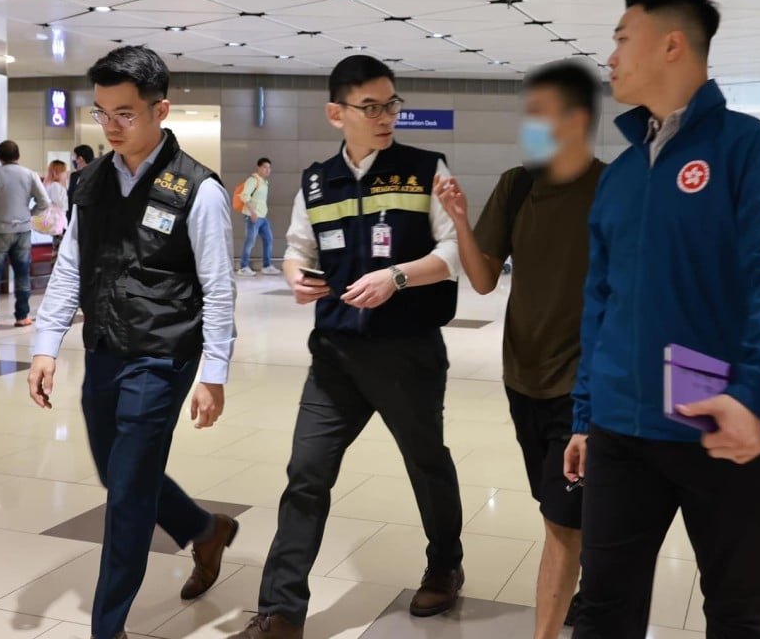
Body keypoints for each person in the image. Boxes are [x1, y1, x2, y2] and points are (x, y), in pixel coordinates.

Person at [563, 0, 760, 639]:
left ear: (671, 44)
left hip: (730, 429)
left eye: (623, 39)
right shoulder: (621, 176)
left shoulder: (752, 153)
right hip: (622, 433)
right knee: (602, 611)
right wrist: (587, 416)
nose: (611, 57)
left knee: (737, 616)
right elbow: (601, 304)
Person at [227, 55, 465, 639]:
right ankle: (282, 611)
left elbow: (455, 250)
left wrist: (399, 277)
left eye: (391, 104)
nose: (385, 116)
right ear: (337, 113)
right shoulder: (315, 180)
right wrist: (292, 274)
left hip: (407, 351)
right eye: (371, 106)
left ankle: (444, 565)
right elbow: (296, 247)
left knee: (426, 461)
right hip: (333, 354)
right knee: (306, 474)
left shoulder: (424, 168)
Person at [27, 45, 239, 639]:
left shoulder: (197, 189)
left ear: (159, 110)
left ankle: (108, 627)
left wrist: (214, 372)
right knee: (118, 475)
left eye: (125, 113)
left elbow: (220, 288)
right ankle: (205, 529)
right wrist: (45, 345)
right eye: (102, 113)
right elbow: (71, 266)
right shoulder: (91, 181)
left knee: (125, 497)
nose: (112, 127)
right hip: (104, 347)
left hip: (164, 354)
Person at [436, 59, 605, 638]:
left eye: (540, 114)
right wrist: (459, 218)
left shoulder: (611, 189)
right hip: (522, 378)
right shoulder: (518, 184)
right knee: (556, 506)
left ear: (576, 121)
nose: (528, 126)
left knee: (561, 524)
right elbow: (483, 280)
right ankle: (591, 592)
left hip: (581, 386)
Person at [0, 140, 50, 328]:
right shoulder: (29, 174)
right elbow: (44, 202)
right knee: (22, 274)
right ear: (18, 155)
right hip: (23, 231)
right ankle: (22, 316)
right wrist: (29, 215)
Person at [237, 157, 281, 276]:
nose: (268, 170)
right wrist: (252, 213)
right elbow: (244, 196)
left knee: (269, 240)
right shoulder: (253, 180)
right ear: (259, 168)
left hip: (263, 217)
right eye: (265, 167)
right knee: (250, 242)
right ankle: (243, 267)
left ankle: (267, 266)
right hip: (253, 217)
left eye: (269, 167)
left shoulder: (264, 182)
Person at [42, 159, 71, 250]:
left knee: (58, 247)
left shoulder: (51, 185)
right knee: (59, 249)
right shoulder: (56, 186)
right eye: (64, 172)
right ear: (57, 173)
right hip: (59, 222)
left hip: (57, 222)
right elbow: (60, 204)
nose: (66, 174)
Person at [68, 144, 96, 220]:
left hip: (77, 215)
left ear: (80, 158)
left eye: (74, 157)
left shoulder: (75, 176)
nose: (73, 160)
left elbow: (71, 197)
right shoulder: (97, 173)